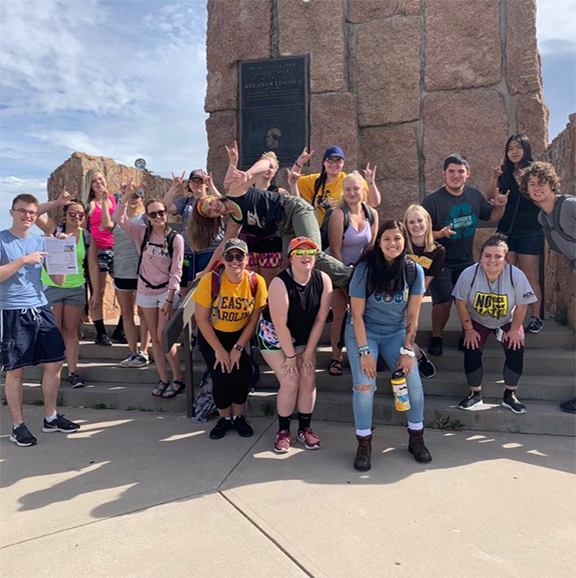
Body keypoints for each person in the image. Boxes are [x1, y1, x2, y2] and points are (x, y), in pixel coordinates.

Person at [188, 148, 353, 289]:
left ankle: (356, 278)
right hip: (284, 228)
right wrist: (206, 271)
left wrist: (248, 174)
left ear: (212, 198)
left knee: (311, 253)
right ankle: (347, 284)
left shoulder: (236, 191)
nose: (213, 208)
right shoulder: (235, 221)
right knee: (297, 260)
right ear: (214, 217)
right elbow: (222, 246)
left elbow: (267, 162)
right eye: (209, 212)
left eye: (209, 204)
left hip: (294, 210)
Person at [345, 221, 431, 472]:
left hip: (396, 332)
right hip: (364, 331)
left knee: (412, 382)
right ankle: (364, 442)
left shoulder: (413, 270)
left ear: (404, 241)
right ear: (378, 242)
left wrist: (407, 350)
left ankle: (416, 437)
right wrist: (364, 353)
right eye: (387, 239)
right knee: (364, 385)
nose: (392, 244)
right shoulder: (364, 269)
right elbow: (357, 315)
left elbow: (413, 315)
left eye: (397, 239)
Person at [1, 194, 80, 447]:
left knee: (55, 363)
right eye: (22, 211)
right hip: (11, 310)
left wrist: (62, 252)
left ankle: (51, 416)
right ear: (12, 212)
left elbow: (58, 280)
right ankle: (18, 426)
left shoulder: (41, 240)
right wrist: (23, 260)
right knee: (15, 371)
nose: (27, 216)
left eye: (32, 213)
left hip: (41, 306)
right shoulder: (2, 239)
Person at [422, 153, 508, 357]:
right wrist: (439, 234)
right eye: (451, 171)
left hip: (466, 261)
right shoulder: (432, 201)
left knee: (470, 301)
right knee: (443, 301)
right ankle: (436, 337)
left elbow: (492, 215)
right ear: (444, 174)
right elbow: (420, 233)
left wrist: (501, 204)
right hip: (440, 261)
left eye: (460, 171)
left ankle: (466, 336)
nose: (456, 175)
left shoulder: (474, 195)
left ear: (467, 173)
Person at [259, 236, 332, 452]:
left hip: (302, 336)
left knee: (308, 376)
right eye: (298, 253)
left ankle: (305, 429)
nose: (304, 256)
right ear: (290, 259)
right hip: (274, 335)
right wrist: (291, 357)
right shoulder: (279, 283)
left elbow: (321, 319)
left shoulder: (323, 280)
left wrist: (309, 352)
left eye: (309, 252)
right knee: (291, 380)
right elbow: (280, 325)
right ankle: (283, 431)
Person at [191, 238, 268, 440]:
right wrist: (219, 350)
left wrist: (238, 348)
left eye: (239, 256)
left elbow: (253, 320)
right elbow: (201, 319)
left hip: (239, 335)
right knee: (221, 377)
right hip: (213, 335)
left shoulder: (255, 282)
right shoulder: (211, 280)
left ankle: (238, 416)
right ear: (223, 259)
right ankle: (224, 419)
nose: (235, 261)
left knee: (241, 377)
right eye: (229, 256)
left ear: (247, 258)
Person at [113, 187, 185, 397]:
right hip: (145, 290)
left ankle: (178, 378)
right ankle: (163, 379)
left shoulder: (175, 239)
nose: (158, 217)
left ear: (166, 213)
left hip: (165, 293)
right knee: (153, 337)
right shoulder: (141, 233)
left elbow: (176, 270)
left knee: (164, 338)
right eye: (153, 214)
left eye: (161, 212)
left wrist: (170, 298)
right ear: (148, 217)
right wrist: (126, 196)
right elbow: (118, 217)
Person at [453, 234, 537, 413]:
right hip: (477, 320)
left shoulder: (516, 275)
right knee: (471, 348)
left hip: (507, 320)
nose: (492, 260)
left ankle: (510, 395)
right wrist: (468, 329)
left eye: (498, 256)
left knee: (516, 347)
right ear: (480, 257)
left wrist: (515, 330)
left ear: (506, 259)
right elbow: (460, 303)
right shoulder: (469, 274)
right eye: (487, 255)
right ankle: (474, 394)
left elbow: (523, 306)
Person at [518, 161, 576, 415]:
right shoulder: (544, 217)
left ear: (552, 184)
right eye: (532, 184)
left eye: (541, 182)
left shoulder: (570, 206)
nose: (537, 187)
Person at [486, 134, 543, 333]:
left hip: (530, 230)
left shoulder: (535, 172)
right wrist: (494, 177)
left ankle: (536, 317)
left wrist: (530, 186)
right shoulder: (504, 173)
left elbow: (542, 197)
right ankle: (505, 317)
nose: (514, 151)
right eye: (510, 148)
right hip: (506, 230)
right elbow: (490, 197)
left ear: (526, 149)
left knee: (529, 276)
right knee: (506, 275)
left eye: (519, 147)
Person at [325, 171, 378, 376]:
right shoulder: (339, 215)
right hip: (339, 271)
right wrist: (346, 278)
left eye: (356, 188)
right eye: (347, 189)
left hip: (362, 271)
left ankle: (364, 353)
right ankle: (335, 357)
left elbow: (371, 247)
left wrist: (363, 274)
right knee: (340, 314)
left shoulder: (371, 214)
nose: (352, 193)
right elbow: (335, 250)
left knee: (362, 315)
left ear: (363, 190)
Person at [37, 199, 92, 387]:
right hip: (51, 286)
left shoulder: (86, 237)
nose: (77, 217)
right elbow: (34, 213)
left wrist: (97, 295)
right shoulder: (53, 229)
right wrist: (57, 202)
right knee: (54, 331)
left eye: (81, 214)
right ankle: (52, 372)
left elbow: (91, 266)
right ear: (65, 214)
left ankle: (73, 372)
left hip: (75, 287)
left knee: (71, 331)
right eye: (72, 213)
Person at [225, 143, 289, 286]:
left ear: (275, 172)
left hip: (271, 246)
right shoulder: (244, 190)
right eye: (267, 165)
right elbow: (228, 189)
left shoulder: (280, 193)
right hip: (248, 246)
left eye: (272, 167)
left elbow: (292, 213)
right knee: (249, 285)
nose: (268, 169)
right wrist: (233, 162)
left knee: (266, 287)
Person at [403, 204, 446, 378]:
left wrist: (412, 302)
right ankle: (418, 355)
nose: (416, 225)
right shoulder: (401, 245)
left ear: (427, 222)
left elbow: (425, 283)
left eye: (420, 220)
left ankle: (419, 358)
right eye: (411, 222)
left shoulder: (438, 251)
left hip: (414, 295)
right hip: (393, 295)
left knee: (406, 331)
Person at [163, 168, 222, 294]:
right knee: (186, 286)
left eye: (200, 181)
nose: (196, 184)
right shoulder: (185, 201)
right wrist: (174, 187)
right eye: (193, 181)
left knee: (208, 287)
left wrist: (211, 186)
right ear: (189, 184)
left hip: (209, 250)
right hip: (188, 251)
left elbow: (225, 205)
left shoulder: (212, 201)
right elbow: (166, 207)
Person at [110, 186, 151, 368]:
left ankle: (144, 352)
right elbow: (112, 219)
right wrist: (124, 198)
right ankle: (132, 351)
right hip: (122, 270)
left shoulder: (144, 218)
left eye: (137, 196)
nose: (134, 198)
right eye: (131, 195)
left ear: (142, 199)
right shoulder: (119, 217)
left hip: (142, 271)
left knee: (143, 313)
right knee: (126, 313)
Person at [288, 146, 381, 225]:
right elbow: (292, 180)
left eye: (338, 161)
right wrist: (299, 163)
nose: (334, 164)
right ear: (324, 162)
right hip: (322, 231)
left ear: (343, 163)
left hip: (345, 229)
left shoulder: (350, 180)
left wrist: (370, 182)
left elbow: (374, 203)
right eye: (330, 160)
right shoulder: (316, 180)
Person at [84, 169, 124, 346]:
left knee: (127, 290)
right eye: (94, 181)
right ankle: (101, 333)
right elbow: (84, 231)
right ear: (90, 186)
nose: (99, 183)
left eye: (100, 179)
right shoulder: (90, 205)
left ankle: (120, 329)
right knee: (97, 292)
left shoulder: (115, 198)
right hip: (97, 250)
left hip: (117, 248)